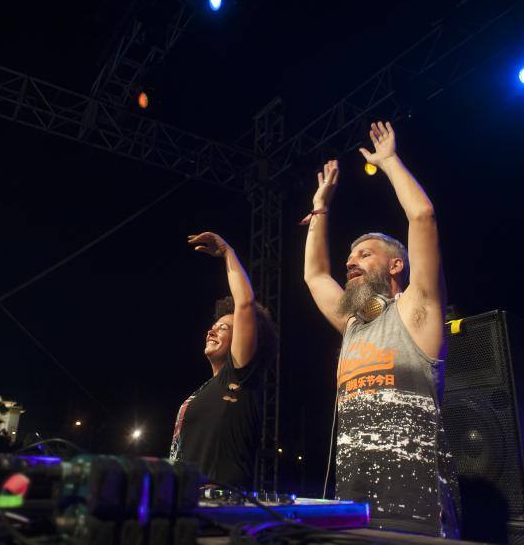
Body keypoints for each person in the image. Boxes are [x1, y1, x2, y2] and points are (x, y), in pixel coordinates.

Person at [303, 122, 459, 537]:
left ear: (396, 265)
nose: (350, 261)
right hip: (354, 512)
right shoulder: (354, 324)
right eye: (350, 255)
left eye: (364, 254)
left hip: (419, 518)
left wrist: (388, 161)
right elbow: (316, 276)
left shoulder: (416, 311)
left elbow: (422, 216)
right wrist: (321, 209)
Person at [169, 231, 277, 490]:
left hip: (220, 504)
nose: (212, 330)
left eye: (224, 328)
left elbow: (245, 303)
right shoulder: (205, 389)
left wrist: (228, 253)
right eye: (213, 325)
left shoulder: (241, 375)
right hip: (186, 501)